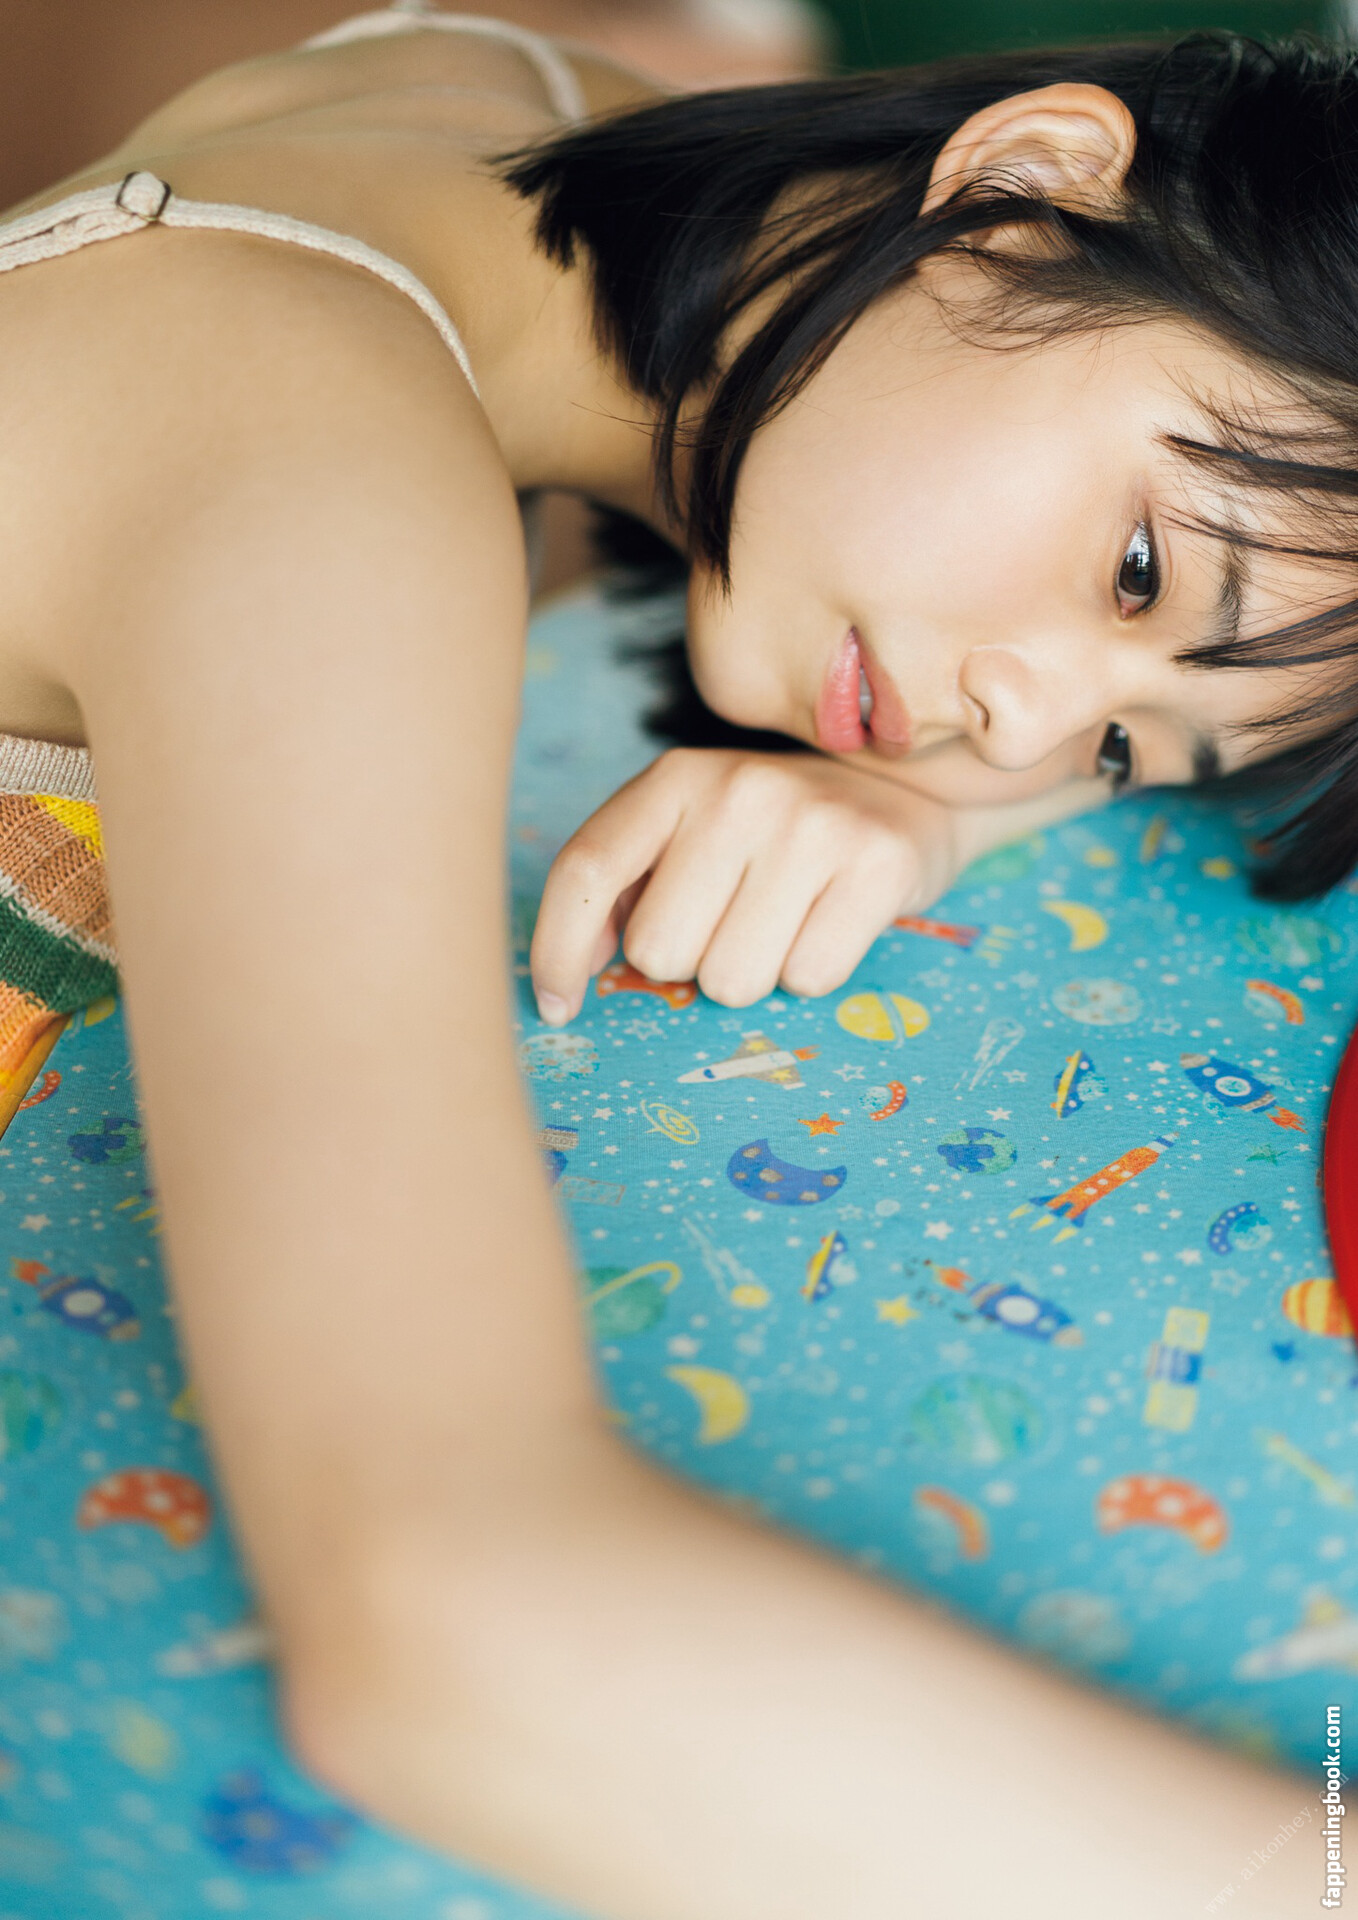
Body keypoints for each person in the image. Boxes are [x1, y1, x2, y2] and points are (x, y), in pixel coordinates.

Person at [0, 7, 1339, 1915]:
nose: (1028, 724)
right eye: (1139, 574)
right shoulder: (318, 492)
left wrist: (916, 813)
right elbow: (448, 1612)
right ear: (1023, 190)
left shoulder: (539, 116)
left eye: (1126, 749)